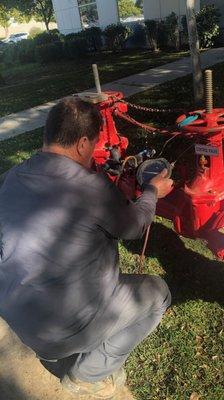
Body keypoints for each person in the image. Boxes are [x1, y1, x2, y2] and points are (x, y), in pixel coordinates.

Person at [0, 97, 173, 399]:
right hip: (61, 330)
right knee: (158, 293)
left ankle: (62, 343)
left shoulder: (10, 178)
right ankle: (88, 375)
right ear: (82, 144)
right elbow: (135, 227)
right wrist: (151, 191)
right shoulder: (91, 188)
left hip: (19, 318)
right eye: (93, 145)